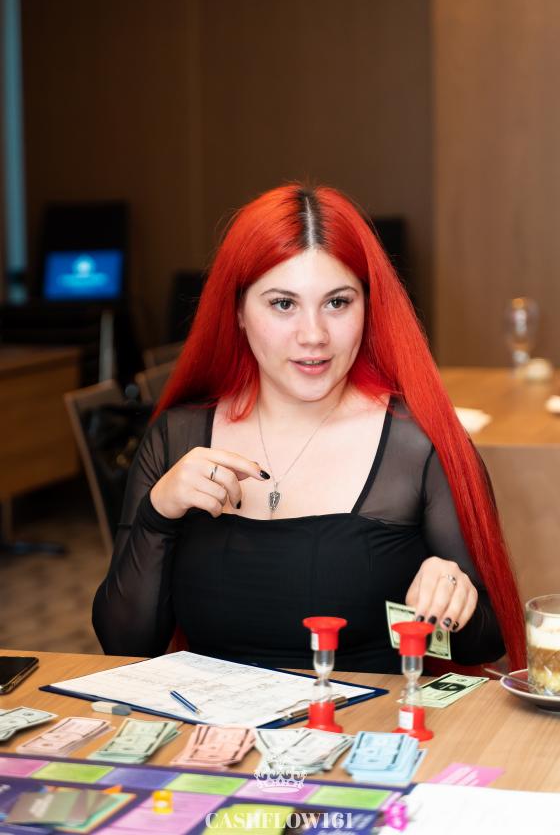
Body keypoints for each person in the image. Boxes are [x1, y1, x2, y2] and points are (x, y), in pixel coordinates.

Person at [93, 184, 525, 673]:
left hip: (368, 719)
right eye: (283, 304)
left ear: (368, 308)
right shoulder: (176, 437)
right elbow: (124, 645)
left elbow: (484, 645)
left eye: (337, 303)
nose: (314, 335)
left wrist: (451, 598)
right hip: (212, 719)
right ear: (237, 311)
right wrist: (157, 515)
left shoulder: (418, 444)